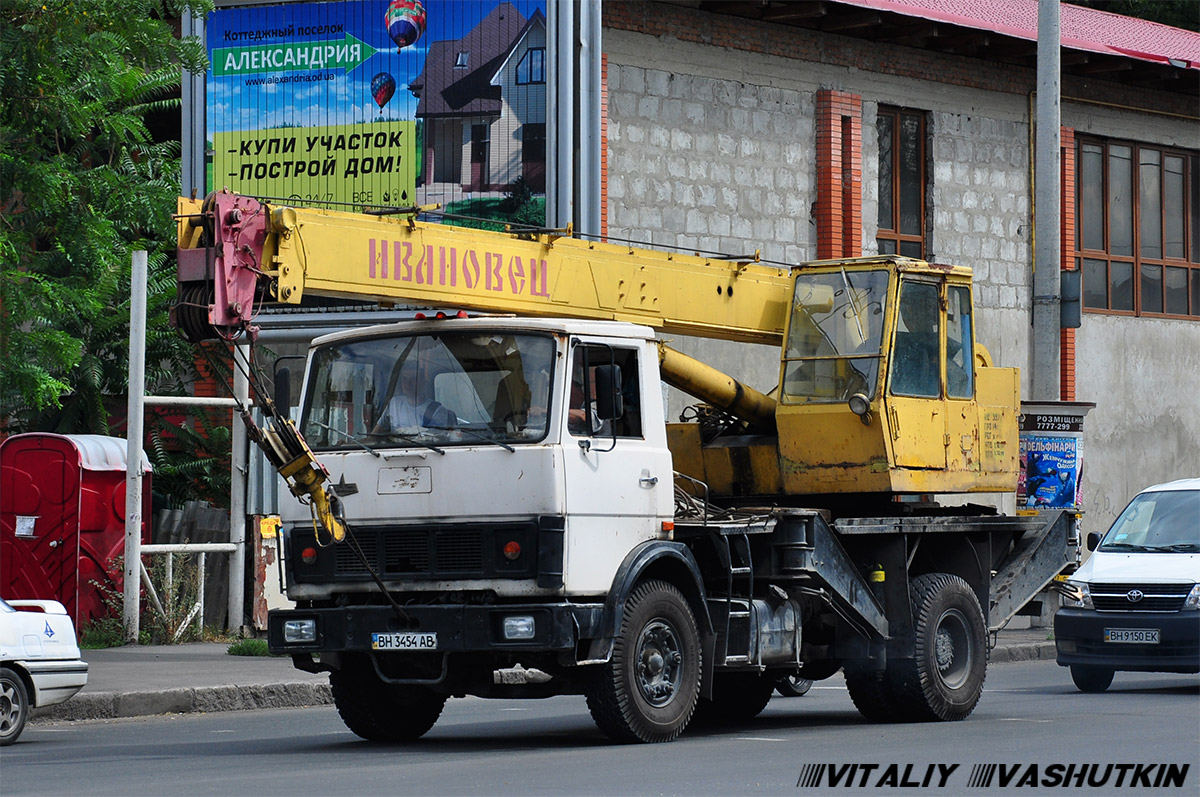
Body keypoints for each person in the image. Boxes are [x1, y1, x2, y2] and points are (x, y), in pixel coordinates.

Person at [375, 365, 455, 432]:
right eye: (404, 379)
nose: (408, 384)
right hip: (395, 449)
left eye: (413, 379)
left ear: (423, 382)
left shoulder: (437, 411)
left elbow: (438, 439)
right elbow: (377, 431)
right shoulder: (394, 404)